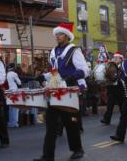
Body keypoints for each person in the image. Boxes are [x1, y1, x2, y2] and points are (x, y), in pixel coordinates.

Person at [33, 22, 89, 161]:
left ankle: (77, 149)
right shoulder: (54, 51)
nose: (57, 36)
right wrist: (44, 76)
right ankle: (47, 156)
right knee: (51, 125)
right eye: (56, 34)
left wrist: (72, 77)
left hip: (69, 92)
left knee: (71, 123)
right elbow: (54, 72)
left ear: (67, 36)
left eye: (60, 34)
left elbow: (85, 70)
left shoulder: (74, 50)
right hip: (55, 91)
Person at [100, 51, 124, 125]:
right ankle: (106, 119)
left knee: (121, 105)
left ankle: (123, 118)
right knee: (109, 104)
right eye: (114, 57)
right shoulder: (110, 66)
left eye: (117, 57)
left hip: (120, 88)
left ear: (121, 59)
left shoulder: (123, 66)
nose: (115, 59)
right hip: (111, 87)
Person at [6, 63, 21, 128]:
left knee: (10, 107)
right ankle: (15, 122)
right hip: (14, 90)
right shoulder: (14, 74)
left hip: (9, 90)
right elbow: (19, 82)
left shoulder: (7, 74)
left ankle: (11, 122)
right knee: (16, 107)